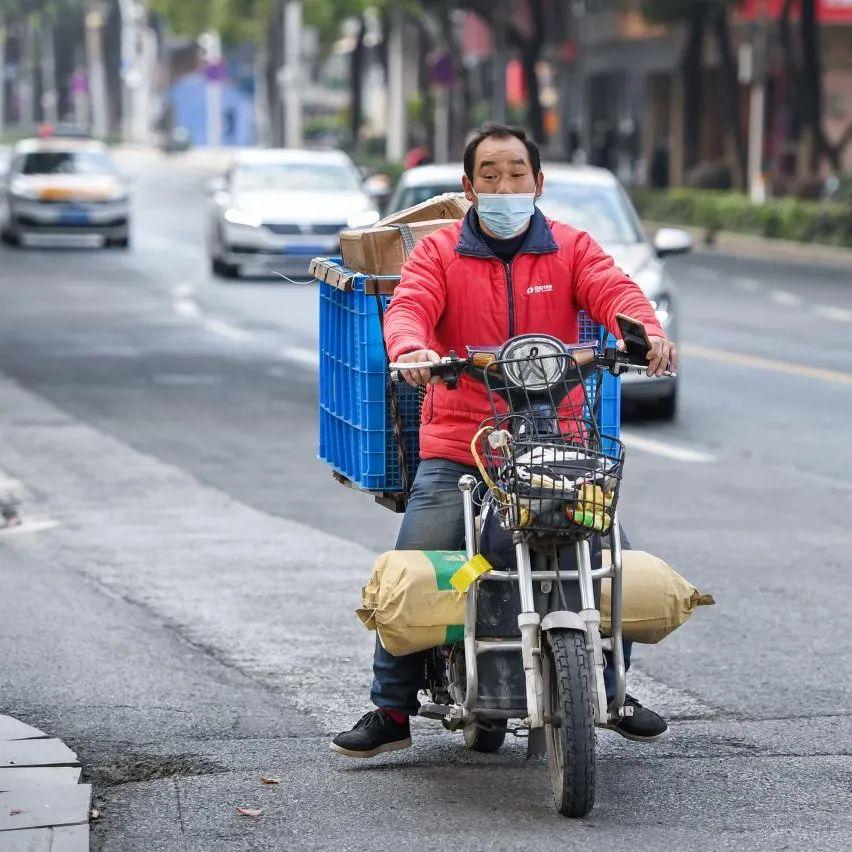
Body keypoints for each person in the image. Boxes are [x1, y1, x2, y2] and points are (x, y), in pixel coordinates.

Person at [330, 123, 678, 759]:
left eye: (516, 173)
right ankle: (390, 707)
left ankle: (612, 688)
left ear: (538, 183)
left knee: (611, 559)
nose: (503, 185)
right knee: (422, 565)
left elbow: (616, 292)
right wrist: (410, 348)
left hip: (553, 443)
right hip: (461, 446)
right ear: (469, 187)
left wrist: (644, 332)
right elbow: (408, 307)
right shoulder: (438, 255)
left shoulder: (571, 248)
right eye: (488, 174)